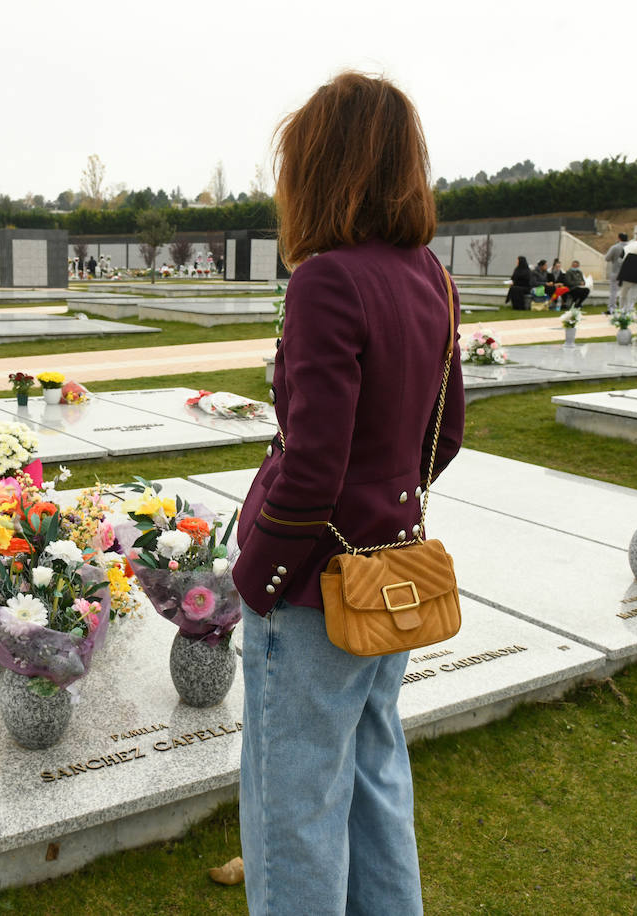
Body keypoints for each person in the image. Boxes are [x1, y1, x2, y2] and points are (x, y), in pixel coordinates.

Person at [232, 71, 464, 916]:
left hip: (310, 591)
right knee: (373, 774)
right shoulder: (428, 277)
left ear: (322, 168)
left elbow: (313, 467)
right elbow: (446, 435)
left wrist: (255, 577)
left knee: (294, 802)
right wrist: (378, 510)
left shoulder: (327, 280)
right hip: (387, 573)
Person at [604, 232, 628, 307]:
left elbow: (607, 258)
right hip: (627, 273)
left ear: (619, 238)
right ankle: (624, 307)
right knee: (626, 291)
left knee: (613, 291)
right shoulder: (630, 247)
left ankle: (612, 307)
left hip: (616, 271)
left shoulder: (615, 247)